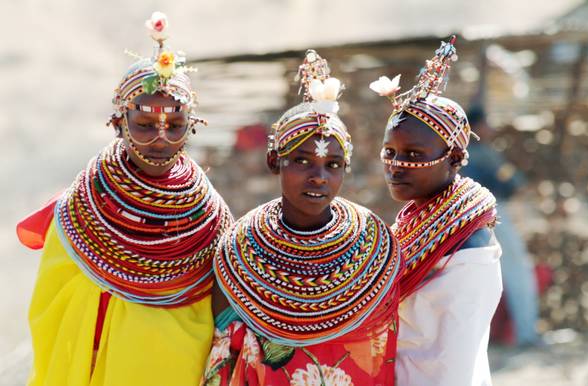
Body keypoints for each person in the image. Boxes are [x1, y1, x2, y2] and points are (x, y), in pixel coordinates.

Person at [16, 12, 232, 386]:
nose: (161, 140)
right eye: (145, 126)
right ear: (118, 123)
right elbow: (54, 306)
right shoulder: (82, 206)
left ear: (191, 126)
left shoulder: (211, 215)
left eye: (175, 126)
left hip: (177, 370)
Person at [202, 50, 404, 386]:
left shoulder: (375, 243)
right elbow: (225, 348)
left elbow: (382, 350)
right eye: (302, 161)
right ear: (273, 162)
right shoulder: (238, 248)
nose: (319, 177)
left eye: (333, 165)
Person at [370, 37, 502, 386]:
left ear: (455, 160)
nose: (396, 166)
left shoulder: (468, 251)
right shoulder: (417, 221)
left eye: (413, 155)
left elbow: (450, 367)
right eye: (390, 152)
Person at [462, 105, 542, 347]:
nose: (492, 129)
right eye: (487, 124)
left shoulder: (454, 153)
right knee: (518, 271)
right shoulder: (484, 153)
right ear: (476, 127)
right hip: (492, 214)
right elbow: (513, 182)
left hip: (463, 222)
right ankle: (527, 334)